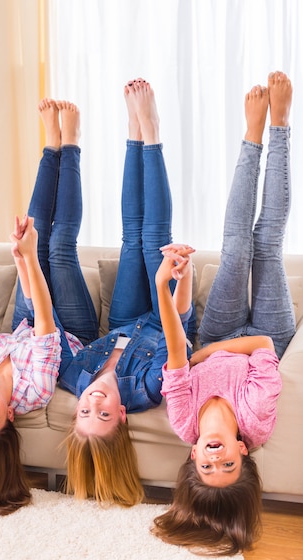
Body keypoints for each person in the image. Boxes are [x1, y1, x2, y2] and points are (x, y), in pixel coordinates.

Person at [152, 71, 295, 555]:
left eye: (205, 469)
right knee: (267, 244)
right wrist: (209, 351)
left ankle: (250, 136)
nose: (215, 461)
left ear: (192, 456)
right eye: (226, 467)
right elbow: (264, 347)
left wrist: (163, 285)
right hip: (255, 336)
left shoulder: (184, 419)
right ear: (242, 453)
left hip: (219, 333)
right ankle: (280, 127)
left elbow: (176, 348)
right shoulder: (256, 420)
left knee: (235, 249)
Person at [0, 98, 98, 515]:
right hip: (67, 329)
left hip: (23, 323)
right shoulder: (33, 392)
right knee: (59, 247)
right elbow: (48, 328)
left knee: (31, 227)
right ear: (9, 418)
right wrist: (28, 260)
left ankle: (51, 143)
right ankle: (72, 143)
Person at [58, 79, 196, 507]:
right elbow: (179, 336)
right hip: (162, 315)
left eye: (84, 413)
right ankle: (151, 131)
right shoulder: (148, 389)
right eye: (102, 415)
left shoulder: (74, 378)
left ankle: (132, 135)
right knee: (154, 236)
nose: (94, 402)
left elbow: (48, 335)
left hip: (121, 321)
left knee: (129, 237)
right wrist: (179, 279)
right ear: (120, 417)